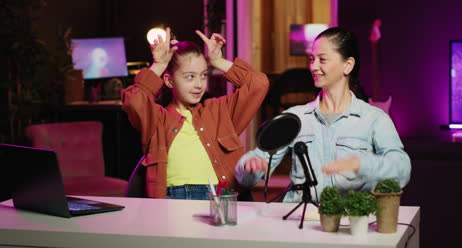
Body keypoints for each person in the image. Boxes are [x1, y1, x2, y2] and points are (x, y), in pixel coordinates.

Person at [235, 27, 411, 203]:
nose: (313, 66)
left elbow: (402, 170)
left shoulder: (374, 119)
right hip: (300, 222)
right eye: (312, 59)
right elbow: (249, 175)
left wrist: (362, 164)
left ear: (347, 65)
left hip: (349, 223)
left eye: (322, 59)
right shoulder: (296, 118)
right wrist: (250, 165)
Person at [122, 27, 269, 199]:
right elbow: (134, 100)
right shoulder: (158, 120)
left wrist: (219, 61)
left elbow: (258, 84)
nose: (199, 84)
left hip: (219, 198)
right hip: (174, 200)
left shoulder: (219, 111)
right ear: (169, 80)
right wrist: (159, 65)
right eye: (190, 77)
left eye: (203, 75)